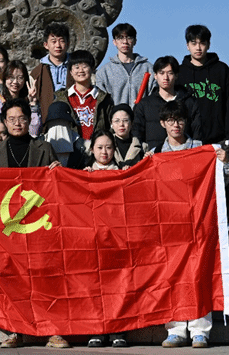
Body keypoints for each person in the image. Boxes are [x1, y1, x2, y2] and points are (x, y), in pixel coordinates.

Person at [146, 100, 229, 349]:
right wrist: (145, 166)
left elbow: (225, 178)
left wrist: (225, 161)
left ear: (186, 122)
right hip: (169, 226)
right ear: (162, 123)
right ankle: (175, 329)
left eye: (180, 119)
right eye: (171, 120)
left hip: (198, 224)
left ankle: (200, 330)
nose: (176, 124)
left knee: (200, 275)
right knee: (171, 277)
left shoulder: (201, 149)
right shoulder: (156, 154)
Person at [0, 99, 64, 349]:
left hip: (38, 225)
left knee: (44, 279)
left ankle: (52, 330)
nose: (17, 123)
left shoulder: (44, 148)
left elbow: (56, 191)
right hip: (7, 228)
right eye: (12, 119)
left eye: (22, 118)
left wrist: (59, 173)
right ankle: (13, 330)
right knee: (12, 281)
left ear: (30, 120)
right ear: (4, 122)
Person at [81, 130, 128, 349]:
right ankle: (96, 330)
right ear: (92, 150)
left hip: (117, 240)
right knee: (94, 285)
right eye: (99, 147)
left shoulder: (123, 173)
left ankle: (119, 330)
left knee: (118, 286)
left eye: (109, 147)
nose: (104, 152)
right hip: (92, 240)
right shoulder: (83, 175)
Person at [176, 25, 229, 145]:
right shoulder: (179, 73)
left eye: (202, 43)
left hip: (218, 140)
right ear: (187, 46)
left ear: (208, 45)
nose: (198, 48)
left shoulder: (222, 70)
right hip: (186, 140)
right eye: (194, 43)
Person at [133, 56, 202, 147]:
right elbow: (137, 135)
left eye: (170, 73)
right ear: (155, 76)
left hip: (184, 152)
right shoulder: (145, 104)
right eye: (161, 73)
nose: (166, 77)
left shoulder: (189, 102)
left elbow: (197, 132)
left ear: (176, 75)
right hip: (154, 154)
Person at [53, 50, 113, 146]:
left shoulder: (104, 98)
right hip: (69, 149)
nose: (81, 70)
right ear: (71, 72)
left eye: (85, 66)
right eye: (76, 67)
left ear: (92, 69)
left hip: (97, 149)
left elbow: (111, 126)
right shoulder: (61, 98)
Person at [95, 23, 155, 107]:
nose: (125, 42)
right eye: (120, 38)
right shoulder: (104, 71)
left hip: (142, 115)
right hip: (115, 115)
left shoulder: (148, 68)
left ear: (135, 41)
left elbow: (154, 97)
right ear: (114, 42)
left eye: (129, 38)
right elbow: (101, 101)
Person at [0, 60, 41, 145]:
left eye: (20, 78)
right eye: (11, 77)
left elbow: (34, 132)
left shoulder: (28, 103)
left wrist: (33, 104)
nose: (15, 82)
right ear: (5, 78)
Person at [30, 22, 73, 121]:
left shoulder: (76, 67)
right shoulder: (37, 72)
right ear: (46, 45)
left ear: (68, 44)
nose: (58, 45)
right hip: (47, 121)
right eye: (53, 41)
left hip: (72, 120)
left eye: (61, 41)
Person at [41, 101, 87, 169]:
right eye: (54, 123)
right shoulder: (39, 143)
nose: (58, 127)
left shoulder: (82, 146)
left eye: (63, 122)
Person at [109, 104, 146, 169]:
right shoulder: (105, 145)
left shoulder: (143, 147)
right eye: (117, 121)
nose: (121, 124)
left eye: (125, 120)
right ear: (111, 124)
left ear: (131, 123)